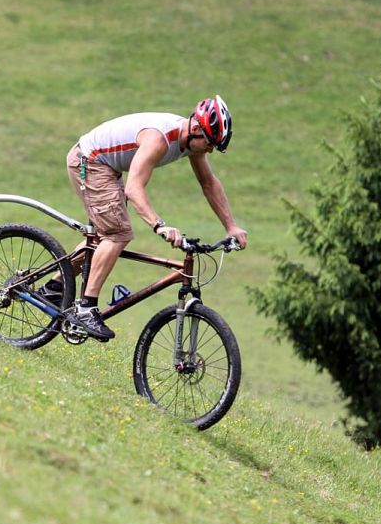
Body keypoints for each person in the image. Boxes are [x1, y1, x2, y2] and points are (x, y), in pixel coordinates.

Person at [43, 95, 248, 341]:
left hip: (107, 166)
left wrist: (231, 226)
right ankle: (86, 308)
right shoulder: (159, 139)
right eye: (210, 143)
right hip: (90, 161)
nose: (210, 149)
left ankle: (53, 289)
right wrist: (159, 225)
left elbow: (208, 183)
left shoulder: (190, 140)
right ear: (196, 128)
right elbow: (134, 188)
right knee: (117, 233)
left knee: (104, 235)